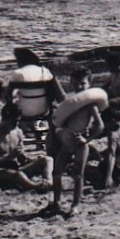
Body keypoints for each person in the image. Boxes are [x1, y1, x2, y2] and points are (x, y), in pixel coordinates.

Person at [43, 85, 106, 217]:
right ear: (72, 82)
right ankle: (57, 201)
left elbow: (100, 126)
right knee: (56, 171)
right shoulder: (71, 104)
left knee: (78, 174)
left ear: (89, 83)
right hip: (67, 142)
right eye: (77, 82)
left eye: (83, 83)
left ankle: (75, 206)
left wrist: (87, 139)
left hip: (80, 144)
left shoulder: (90, 105)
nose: (80, 86)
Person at [0, 102, 53, 191]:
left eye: (18, 121)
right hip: (0, 171)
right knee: (18, 174)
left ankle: (48, 182)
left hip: (16, 168)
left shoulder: (18, 132)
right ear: (5, 119)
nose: (16, 124)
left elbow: (22, 158)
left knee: (47, 159)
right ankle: (35, 186)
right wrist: (7, 158)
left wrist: (29, 158)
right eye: (14, 121)